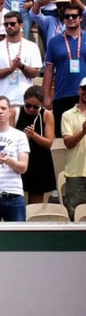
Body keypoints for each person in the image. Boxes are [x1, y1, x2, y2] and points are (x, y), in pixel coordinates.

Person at [42, 2, 86, 137]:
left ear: (81, 18)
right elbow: (49, 71)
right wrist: (46, 96)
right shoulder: (54, 42)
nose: (71, 19)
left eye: (74, 16)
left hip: (84, 94)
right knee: (62, 138)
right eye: (67, 16)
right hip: (62, 95)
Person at [0, 10, 41, 107]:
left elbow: (34, 73)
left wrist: (21, 66)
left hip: (25, 101)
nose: (9, 26)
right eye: (6, 24)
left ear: (21, 25)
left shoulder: (32, 47)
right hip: (4, 100)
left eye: (12, 24)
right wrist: (10, 69)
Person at [16, 87, 56, 204]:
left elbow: (49, 143)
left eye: (36, 107)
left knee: (35, 206)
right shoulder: (16, 112)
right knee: (17, 203)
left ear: (42, 105)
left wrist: (33, 135)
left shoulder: (47, 115)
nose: (31, 109)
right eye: (28, 105)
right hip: (20, 160)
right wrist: (24, 137)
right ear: (24, 101)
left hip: (39, 161)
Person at [61, 79, 86, 217]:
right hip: (76, 174)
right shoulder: (67, 115)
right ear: (79, 90)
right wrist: (83, 132)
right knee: (74, 218)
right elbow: (68, 143)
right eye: (84, 89)